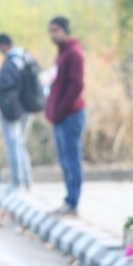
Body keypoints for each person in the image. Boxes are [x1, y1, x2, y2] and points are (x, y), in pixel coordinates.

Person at [45, 16, 86, 216]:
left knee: (72, 159)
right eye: (50, 31)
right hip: (60, 116)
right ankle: (69, 200)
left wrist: (61, 109)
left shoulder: (74, 54)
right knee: (65, 159)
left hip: (71, 115)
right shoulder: (62, 54)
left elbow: (76, 86)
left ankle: (73, 202)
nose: (53, 35)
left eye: (56, 30)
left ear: (64, 30)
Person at [0, 34, 32, 190]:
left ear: (2, 45)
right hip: (28, 107)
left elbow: (5, 85)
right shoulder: (26, 56)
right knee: (20, 143)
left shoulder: (11, 61)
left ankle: (17, 182)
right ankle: (27, 180)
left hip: (13, 109)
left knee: (14, 144)